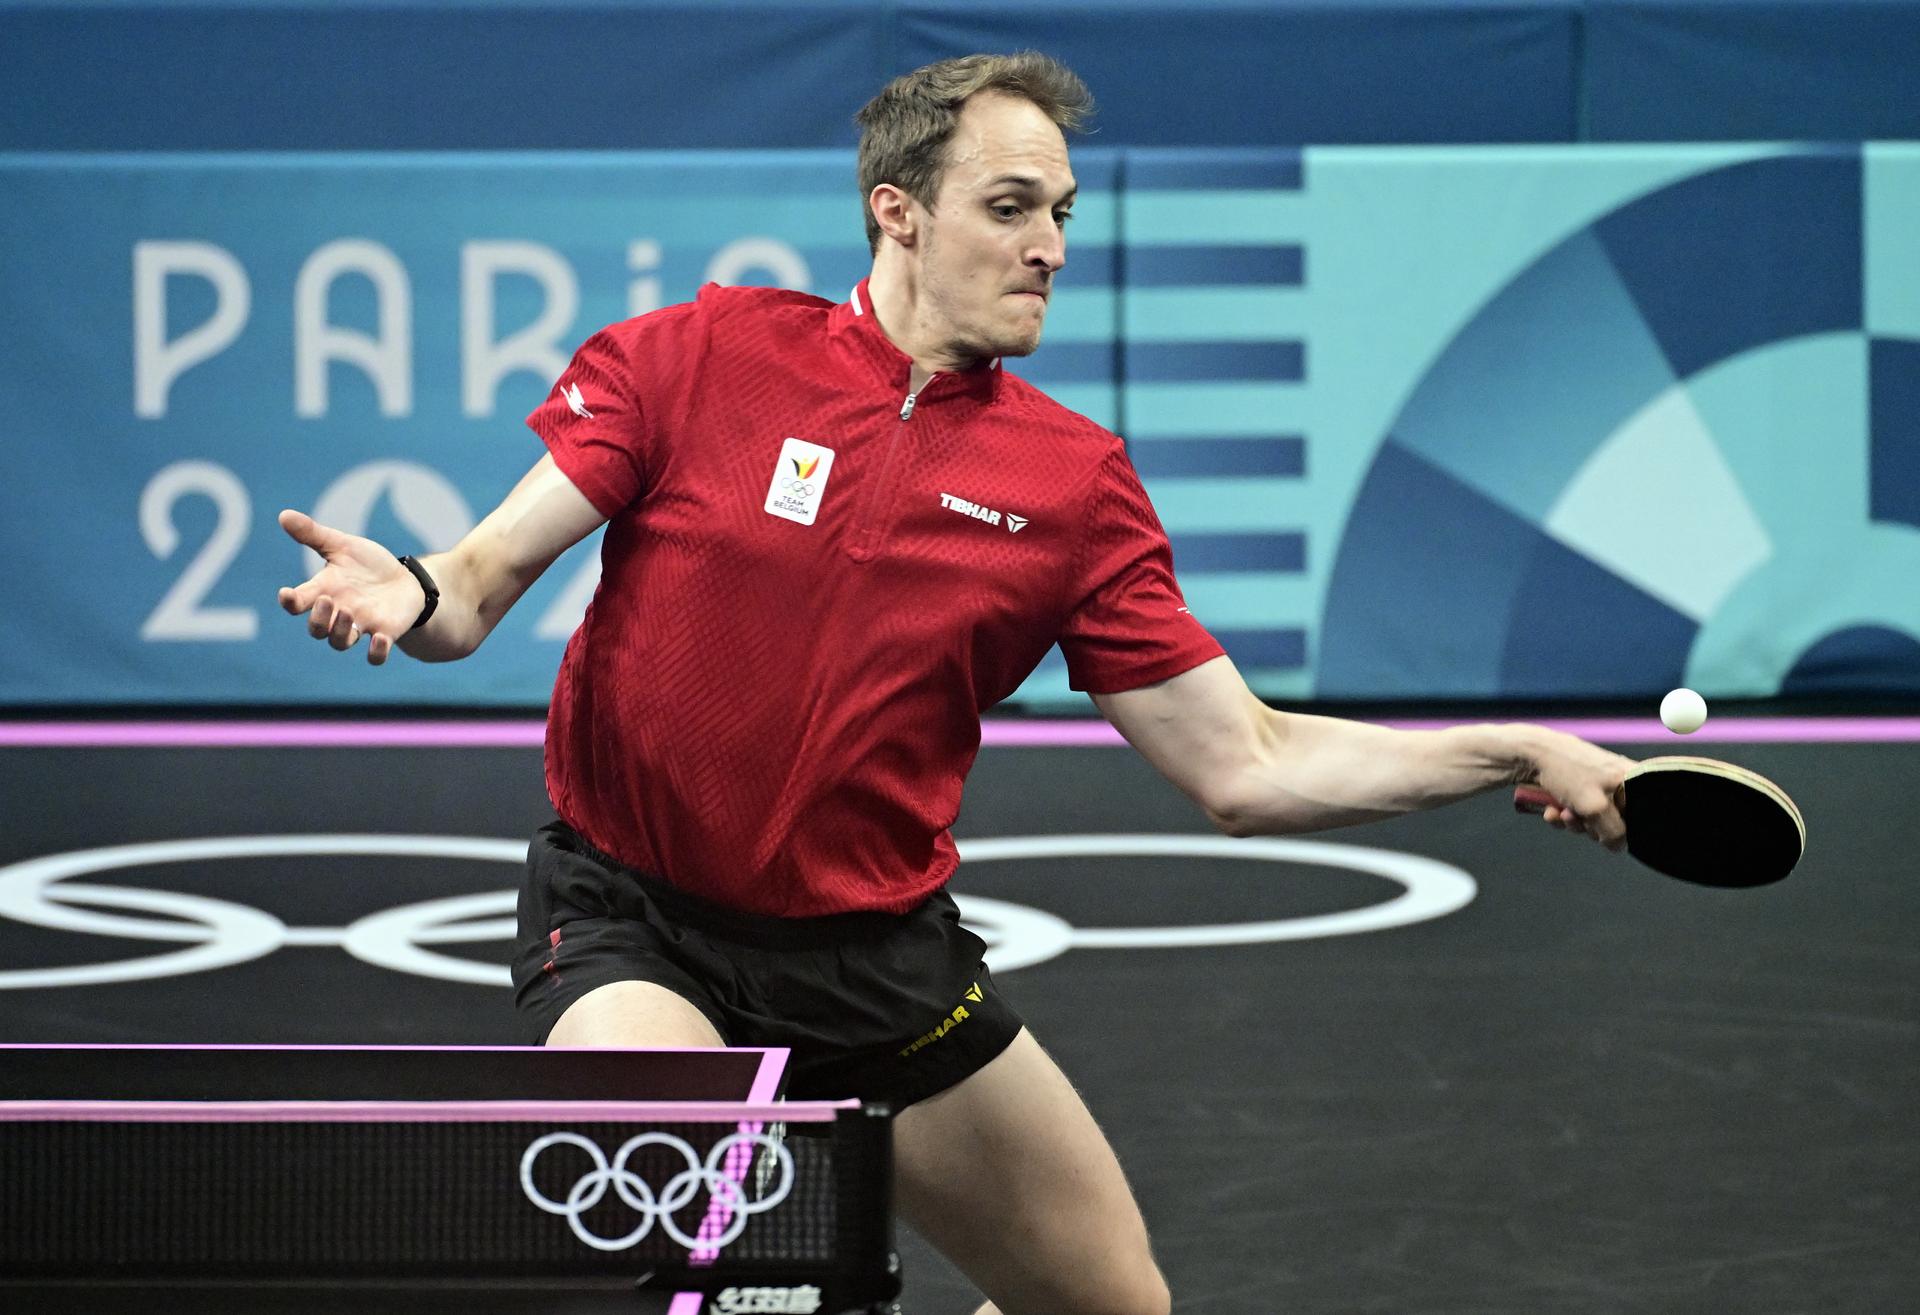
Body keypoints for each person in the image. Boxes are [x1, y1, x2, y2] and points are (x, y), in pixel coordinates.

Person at [277, 51, 1633, 1315]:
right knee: (709, 1231)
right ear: (899, 213)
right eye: (1009, 206)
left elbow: (1247, 765)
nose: (1049, 245)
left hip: (876, 960)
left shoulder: (1073, 483)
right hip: (639, 917)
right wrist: (413, 587)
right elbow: (477, 583)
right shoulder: (697, 361)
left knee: (1117, 1306)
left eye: (1061, 210)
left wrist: (1507, 749)